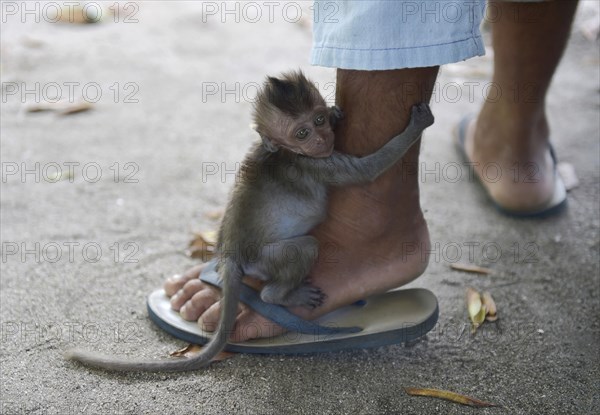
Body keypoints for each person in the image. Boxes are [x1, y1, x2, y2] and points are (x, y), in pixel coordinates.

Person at [163, 0, 578, 342]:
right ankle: (512, 143)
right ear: (275, 143)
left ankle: (506, 133)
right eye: (304, 134)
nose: (323, 139)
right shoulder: (295, 163)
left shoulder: (289, 151)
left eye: (323, 121)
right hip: (270, 252)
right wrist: (412, 126)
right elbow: (367, 165)